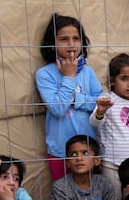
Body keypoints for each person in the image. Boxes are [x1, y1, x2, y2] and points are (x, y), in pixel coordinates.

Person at [36, 14, 103, 181]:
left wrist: (76, 99)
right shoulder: (44, 74)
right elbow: (58, 108)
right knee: (64, 194)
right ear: (52, 44)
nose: (71, 44)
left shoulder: (88, 72)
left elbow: (101, 103)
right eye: (64, 39)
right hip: (61, 151)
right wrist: (70, 76)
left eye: (76, 39)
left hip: (89, 148)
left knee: (93, 194)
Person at [90, 53, 129, 198]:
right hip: (111, 163)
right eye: (124, 79)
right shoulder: (107, 100)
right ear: (113, 81)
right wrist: (100, 111)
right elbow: (94, 122)